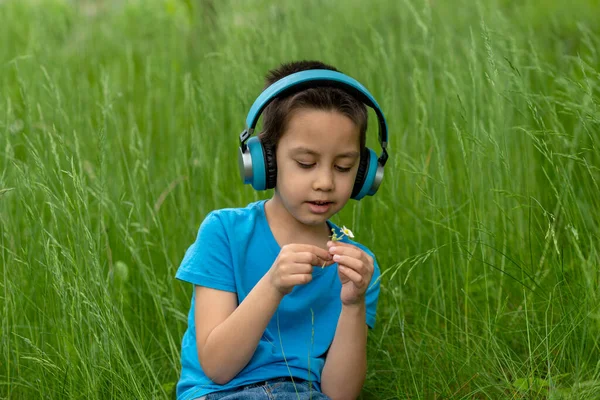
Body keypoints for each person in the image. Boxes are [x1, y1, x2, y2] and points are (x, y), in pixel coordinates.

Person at [175, 60, 390, 400]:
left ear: (364, 173)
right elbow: (217, 366)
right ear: (265, 161)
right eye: (305, 163)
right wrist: (273, 284)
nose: (325, 182)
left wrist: (353, 305)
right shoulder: (225, 233)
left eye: (344, 166)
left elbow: (340, 394)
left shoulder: (359, 268)